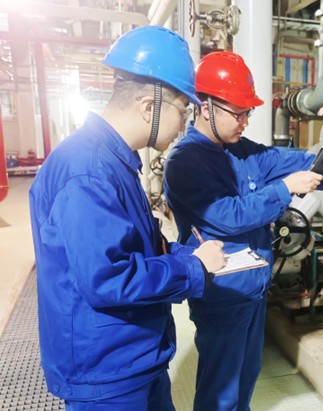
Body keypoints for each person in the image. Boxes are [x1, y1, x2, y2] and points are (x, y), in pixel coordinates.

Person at [163, 51, 323, 411]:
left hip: (254, 288)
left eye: (249, 112)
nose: (245, 122)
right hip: (222, 294)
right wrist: (284, 189)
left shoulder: (243, 152)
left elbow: (301, 161)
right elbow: (227, 216)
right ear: (206, 106)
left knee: (246, 377)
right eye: (239, 113)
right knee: (221, 389)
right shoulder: (185, 162)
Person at [29, 26, 226, 411]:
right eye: (183, 111)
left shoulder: (111, 160)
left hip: (131, 356)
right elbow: (108, 278)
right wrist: (194, 269)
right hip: (106, 373)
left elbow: (131, 245)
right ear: (150, 107)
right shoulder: (88, 171)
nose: (184, 125)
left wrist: (185, 255)